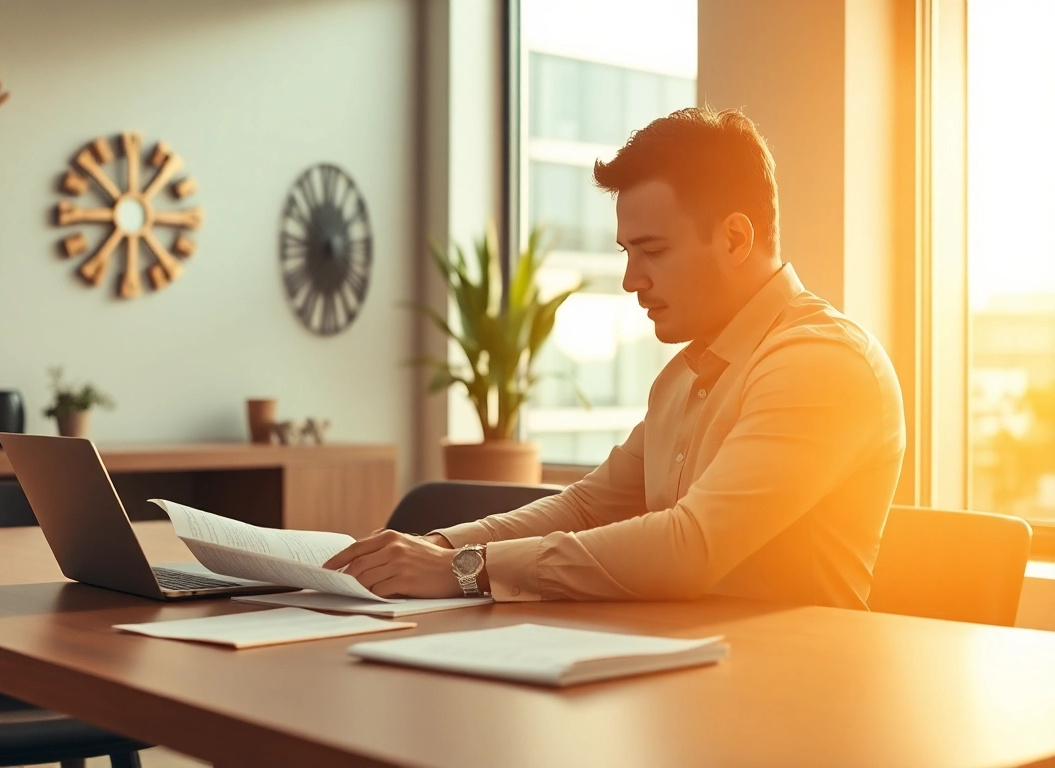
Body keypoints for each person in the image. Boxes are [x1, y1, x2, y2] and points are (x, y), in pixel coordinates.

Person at [323, 106, 906, 609]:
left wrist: (464, 570)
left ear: (735, 238)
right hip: (686, 669)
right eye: (627, 251)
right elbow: (586, 507)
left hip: (793, 687)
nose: (631, 280)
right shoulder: (685, 376)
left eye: (653, 250)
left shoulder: (823, 363)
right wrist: (434, 548)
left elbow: (690, 547)